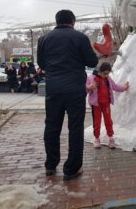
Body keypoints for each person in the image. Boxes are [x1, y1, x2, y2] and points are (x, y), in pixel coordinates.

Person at [37, 9, 98, 180]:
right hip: (75, 90)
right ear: (73, 22)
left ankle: (50, 165)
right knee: (75, 128)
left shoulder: (43, 39)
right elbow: (92, 62)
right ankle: (71, 169)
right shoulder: (80, 37)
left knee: (52, 126)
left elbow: (42, 63)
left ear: (56, 21)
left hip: (53, 89)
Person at [86, 62, 129, 149]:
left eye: (108, 74)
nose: (106, 75)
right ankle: (97, 139)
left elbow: (115, 87)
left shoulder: (108, 79)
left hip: (106, 104)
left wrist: (124, 87)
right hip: (96, 105)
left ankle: (111, 138)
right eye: (104, 73)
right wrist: (89, 87)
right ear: (99, 71)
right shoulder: (91, 78)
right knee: (97, 122)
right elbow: (85, 88)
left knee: (108, 121)